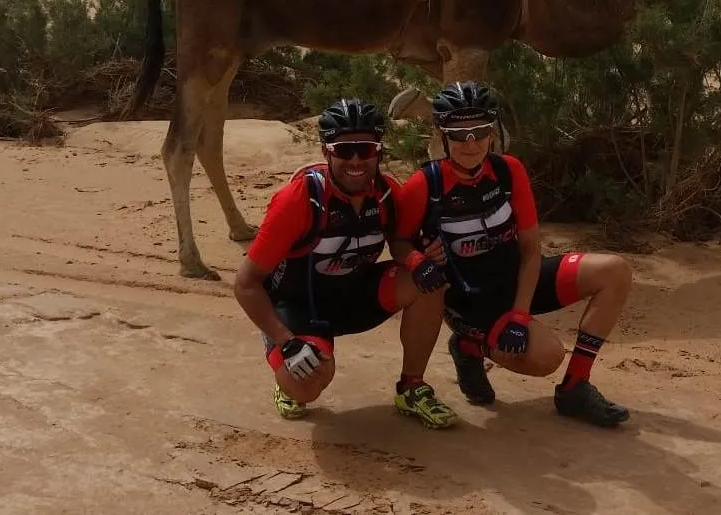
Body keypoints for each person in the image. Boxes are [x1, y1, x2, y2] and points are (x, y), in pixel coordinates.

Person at [391, 81, 634, 427]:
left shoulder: (508, 170)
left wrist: (520, 315)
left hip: (519, 279)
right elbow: (398, 240)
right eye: (459, 134)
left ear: (492, 131)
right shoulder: (424, 184)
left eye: (479, 131)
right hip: (473, 300)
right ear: (442, 136)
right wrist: (416, 259)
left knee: (615, 270)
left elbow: (532, 249)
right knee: (547, 355)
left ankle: (575, 387)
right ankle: (470, 347)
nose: (470, 143)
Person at [233, 98, 458, 429]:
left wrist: (419, 257)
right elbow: (245, 284)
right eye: (344, 149)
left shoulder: (386, 194)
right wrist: (286, 341)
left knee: (427, 280)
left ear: (379, 151)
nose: (355, 160)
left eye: (365, 150)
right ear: (326, 151)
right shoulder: (299, 200)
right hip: (299, 306)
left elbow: (400, 241)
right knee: (307, 385)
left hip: (354, 296)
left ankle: (412, 388)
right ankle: (289, 376)